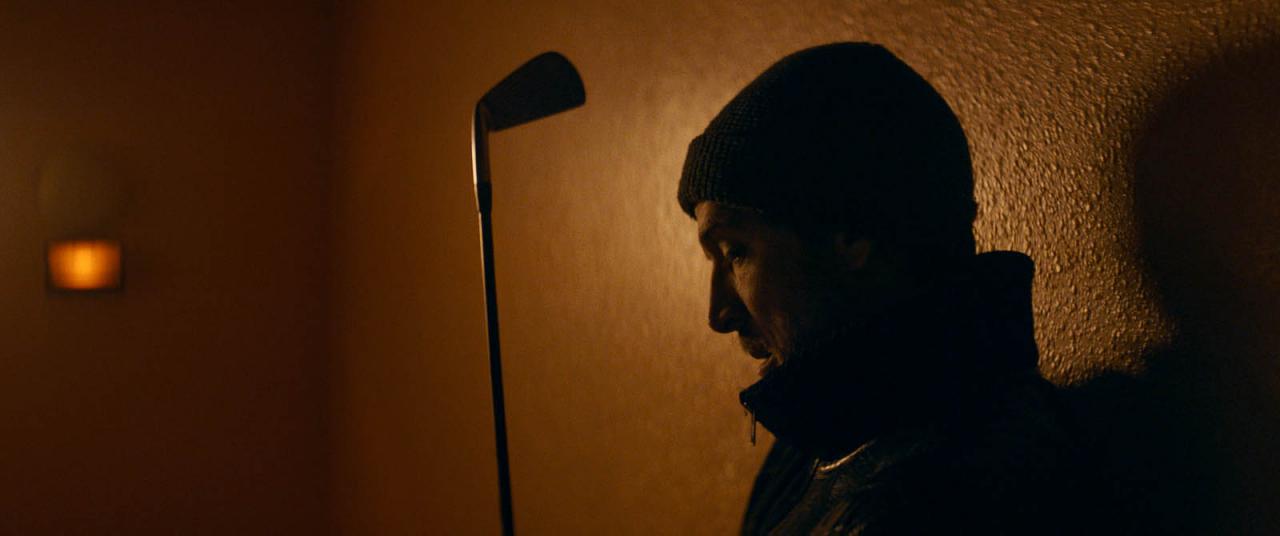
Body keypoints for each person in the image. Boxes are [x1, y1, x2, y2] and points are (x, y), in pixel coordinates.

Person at [678, 43, 1106, 534]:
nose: (719, 314)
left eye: (736, 252)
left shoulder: (958, 492)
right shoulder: (818, 447)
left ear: (851, 234)